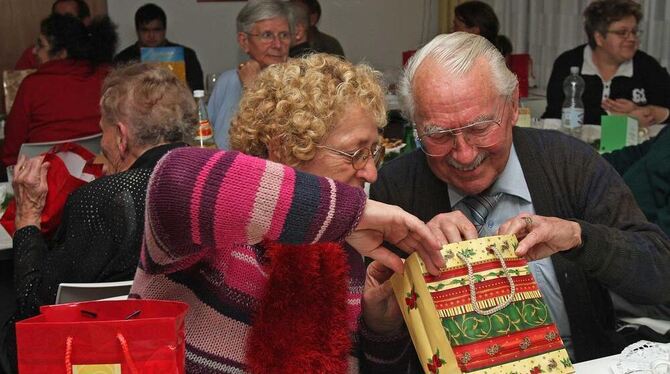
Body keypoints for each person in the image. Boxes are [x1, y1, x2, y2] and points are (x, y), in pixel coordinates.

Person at [366, 32, 670, 367]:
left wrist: (578, 238)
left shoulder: (568, 163)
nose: (465, 155)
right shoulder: (394, 192)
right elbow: (381, 355)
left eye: (481, 128)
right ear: (415, 127)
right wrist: (387, 314)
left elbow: (660, 276)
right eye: (438, 135)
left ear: (512, 107)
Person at [130, 53, 445, 373]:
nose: (371, 173)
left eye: (373, 152)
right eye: (356, 153)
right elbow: (175, 176)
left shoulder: (341, 254)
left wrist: (380, 329)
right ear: (283, 149)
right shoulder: (217, 234)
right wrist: (351, 212)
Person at [0, 63, 193, 373]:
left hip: (119, 353)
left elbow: (35, 305)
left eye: (102, 130)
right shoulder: (212, 179)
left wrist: (27, 217)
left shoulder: (106, 199)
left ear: (120, 136)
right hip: (193, 345)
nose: (100, 144)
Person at [2, 14, 117, 167]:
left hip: (43, 183)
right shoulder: (106, 78)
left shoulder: (32, 86)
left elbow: (11, 154)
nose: (34, 51)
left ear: (62, 53)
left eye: (41, 45)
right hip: (97, 176)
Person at [543, 0, 670, 127]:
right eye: (622, 33)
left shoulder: (647, 66)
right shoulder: (568, 63)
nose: (632, 38)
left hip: (632, 146)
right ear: (599, 38)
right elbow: (556, 113)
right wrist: (623, 120)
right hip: (575, 144)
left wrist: (651, 111)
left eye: (634, 32)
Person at [207, 1, 290, 149]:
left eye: (284, 35)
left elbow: (274, 147)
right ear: (244, 41)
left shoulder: (300, 82)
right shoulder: (227, 80)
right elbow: (206, 137)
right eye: (267, 35)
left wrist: (252, 87)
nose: (278, 45)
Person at [113, 3, 204, 91]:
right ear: (137, 31)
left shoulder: (187, 56)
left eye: (156, 30)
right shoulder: (123, 60)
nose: (151, 35)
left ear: (164, 30)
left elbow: (198, 91)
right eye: (145, 30)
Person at [14, 0, 92, 70]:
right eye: (57, 19)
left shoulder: (98, 52)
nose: (61, 25)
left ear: (86, 21)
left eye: (69, 19)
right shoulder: (33, 54)